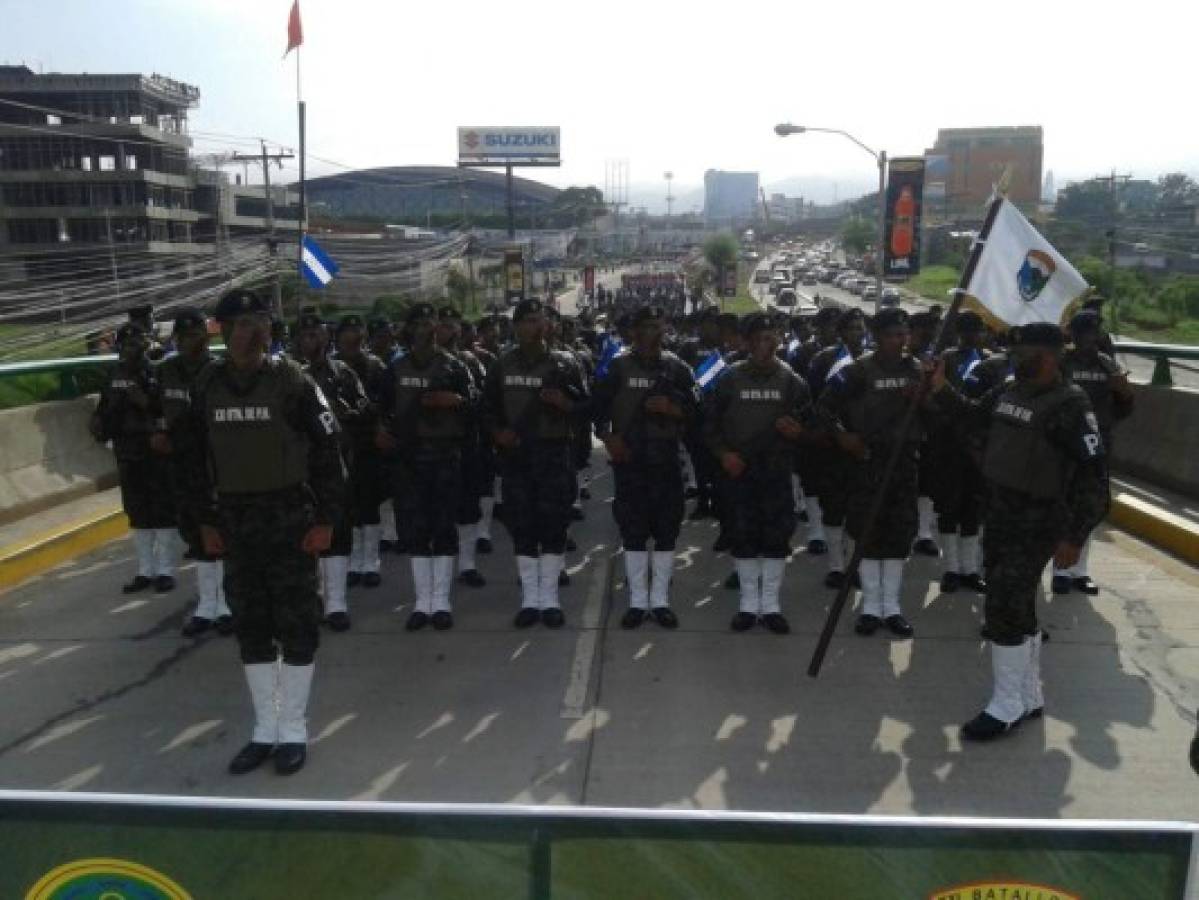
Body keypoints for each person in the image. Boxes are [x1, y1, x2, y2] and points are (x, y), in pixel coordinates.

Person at [186, 288, 346, 775]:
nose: (254, 332)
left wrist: (326, 523)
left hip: (289, 518)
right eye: (243, 323)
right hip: (235, 521)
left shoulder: (293, 382)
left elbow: (330, 454)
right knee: (252, 627)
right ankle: (265, 729)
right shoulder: (207, 386)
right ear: (224, 330)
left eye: (261, 322)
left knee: (297, 625)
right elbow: (192, 463)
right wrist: (204, 525)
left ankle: (293, 730)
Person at [930, 322, 1108, 741]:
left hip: (1039, 519)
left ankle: (1005, 703)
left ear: (1047, 357)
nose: (1014, 358)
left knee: (1004, 604)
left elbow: (1093, 477)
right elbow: (972, 414)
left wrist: (1075, 536)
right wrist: (940, 387)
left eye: (1023, 352)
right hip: (1002, 512)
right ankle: (1027, 695)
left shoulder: (1070, 406)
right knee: (1016, 603)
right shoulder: (1010, 391)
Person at [704, 313, 813, 634]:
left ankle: (771, 605)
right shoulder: (729, 379)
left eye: (773, 337)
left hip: (776, 473)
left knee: (776, 538)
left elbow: (812, 428)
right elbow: (709, 425)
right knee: (744, 536)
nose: (768, 344)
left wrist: (798, 433)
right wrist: (724, 455)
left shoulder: (792, 382)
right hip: (740, 471)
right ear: (748, 342)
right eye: (761, 338)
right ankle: (749, 605)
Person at [483, 299, 589, 629]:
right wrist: (497, 433)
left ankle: (550, 599)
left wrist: (565, 403)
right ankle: (530, 599)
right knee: (523, 527)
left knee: (554, 526)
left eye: (539, 320)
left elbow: (587, 409)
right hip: (517, 457)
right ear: (515, 327)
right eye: (527, 321)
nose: (534, 326)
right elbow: (486, 409)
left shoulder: (565, 363)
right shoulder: (501, 365)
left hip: (554, 454)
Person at [818, 307, 923, 638]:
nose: (900, 340)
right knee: (867, 532)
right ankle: (869, 607)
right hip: (868, 461)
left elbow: (939, 415)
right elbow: (823, 407)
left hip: (903, 462)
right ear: (876, 337)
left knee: (898, 535)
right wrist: (841, 435)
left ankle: (890, 607)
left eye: (904, 334)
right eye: (893, 334)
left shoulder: (918, 370)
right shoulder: (857, 371)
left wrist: (924, 397)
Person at [593, 306, 699, 629]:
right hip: (630, 462)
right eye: (645, 328)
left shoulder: (678, 369)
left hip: (666, 461)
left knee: (666, 532)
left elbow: (700, 413)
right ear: (634, 333)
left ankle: (660, 601)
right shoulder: (617, 367)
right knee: (634, 531)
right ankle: (638, 601)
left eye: (657, 326)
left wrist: (673, 409)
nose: (652, 333)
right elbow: (596, 409)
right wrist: (609, 437)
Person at [377, 303, 475, 630]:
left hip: (445, 456)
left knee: (444, 527)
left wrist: (456, 402)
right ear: (408, 329)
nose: (424, 328)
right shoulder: (396, 368)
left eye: (430, 322)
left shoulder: (454, 367)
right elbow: (378, 407)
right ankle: (422, 602)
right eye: (417, 323)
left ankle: (442, 600)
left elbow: (477, 407)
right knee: (417, 530)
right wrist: (381, 432)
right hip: (410, 459)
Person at [152, 308, 231, 635]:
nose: (190, 342)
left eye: (196, 335)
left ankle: (226, 604)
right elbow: (157, 410)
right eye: (183, 337)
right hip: (180, 462)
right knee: (193, 529)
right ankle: (206, 605)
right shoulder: (167, 370)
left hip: (215, 463)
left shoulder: (219, 371)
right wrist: (159, 434)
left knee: (220, 530)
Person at [296, 311, 371, 632]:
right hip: (298, 467)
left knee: (337, 532)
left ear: (327, 337)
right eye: (304, 334)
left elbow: (366, 410)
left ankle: (336, 603)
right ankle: (313, 599)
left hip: (337, 463)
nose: (311, 339)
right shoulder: (288, 375)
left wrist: (349, 412)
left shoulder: (343, 373)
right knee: (303, 534)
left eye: (316, 333)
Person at [90, 323, 177, 594]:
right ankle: (145, 570)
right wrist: (98, 424)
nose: (130, 350)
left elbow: (166, 410)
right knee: (137, 513)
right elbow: (104, 409)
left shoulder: (155, 373)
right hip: (127, 452)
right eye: (126, 345)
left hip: (153, 451)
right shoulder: (113, 375)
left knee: (161, 512)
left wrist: (147, 403)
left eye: (135, 344)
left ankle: (165, 570)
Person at [1054, 309, 1134, 596]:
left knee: (1091, 506)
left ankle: (1080, 571)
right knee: (1064, 506)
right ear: (1073, 335)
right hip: (1065, 447)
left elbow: (1123, 410)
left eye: (1094, 333)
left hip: (1098, 447)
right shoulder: (1061, 363)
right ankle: (1060, 571)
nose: (1090, 338)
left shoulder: (1106, 365)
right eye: (1084, 333)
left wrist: (1124, 392)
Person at [930, 310, 990, 592]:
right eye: (968, 331)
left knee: (973, 510)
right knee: (949, 509)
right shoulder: (946, 359)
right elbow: (933, 399)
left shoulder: (990, 363)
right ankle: (951, 568)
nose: (974, 337)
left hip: (978, 448)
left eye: (977, 331)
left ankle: (970, 569)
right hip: (949, 443)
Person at [806, 308, 867, 586]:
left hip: (865, 445)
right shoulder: (824, 360)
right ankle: (836, 566)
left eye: (861, 327)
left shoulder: (873, 360)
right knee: (833, 507)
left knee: (858, 508)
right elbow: (816, 402)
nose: (858, 333)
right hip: (831, 443)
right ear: (840, 332)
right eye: (852, 328)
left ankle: (854, 565)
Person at [433, 306, 489, 590]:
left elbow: (483, 402)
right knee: (436, 512)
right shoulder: (418, 364)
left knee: (467, 508)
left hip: (464, 445)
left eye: (449, 325)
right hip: (429, 450)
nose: (444, 330)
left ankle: (467, 565)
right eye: (440, 324)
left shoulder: (470, 362)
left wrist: (459, 402)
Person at [334, 315, 388, 588]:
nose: (353, 339)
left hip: (368, 444)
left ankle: (371, 562)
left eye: (357, 333)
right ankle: (354, 561)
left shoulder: (375, 366)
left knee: (370, 505)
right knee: (349, 507)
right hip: (342, 447)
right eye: (348, 333)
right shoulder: (333, 368)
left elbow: (385, 403)